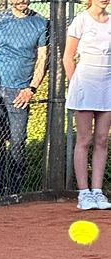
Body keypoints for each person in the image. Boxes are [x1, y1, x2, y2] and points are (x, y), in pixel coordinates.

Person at [0, 0, 48, 197]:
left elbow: (43, 59)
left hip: (20, 92)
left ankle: (15, 192)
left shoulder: (40, 23)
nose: (22, 0)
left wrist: (31, 89)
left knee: (17, 141)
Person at [63, 0, 111, 210]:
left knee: (102, 139)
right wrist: (75, 84)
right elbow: (68, 57)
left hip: (107, 87)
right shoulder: (80, 21)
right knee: (84, 139)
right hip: (84, 85)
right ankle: (84, 193)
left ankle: (98, 192)